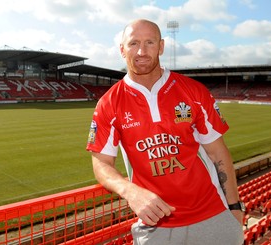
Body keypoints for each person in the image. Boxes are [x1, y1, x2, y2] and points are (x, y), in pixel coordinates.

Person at [86, 19, 244, 245]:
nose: (141, 51)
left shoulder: (194, 92)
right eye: (133, 43)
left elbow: (218, 153)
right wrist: (131, 192)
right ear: (122, 50)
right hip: (156, 224)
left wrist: (235, 207)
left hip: (214, 216)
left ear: (161, 47)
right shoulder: (109, 104)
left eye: (149, 42)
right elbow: (101, 163)